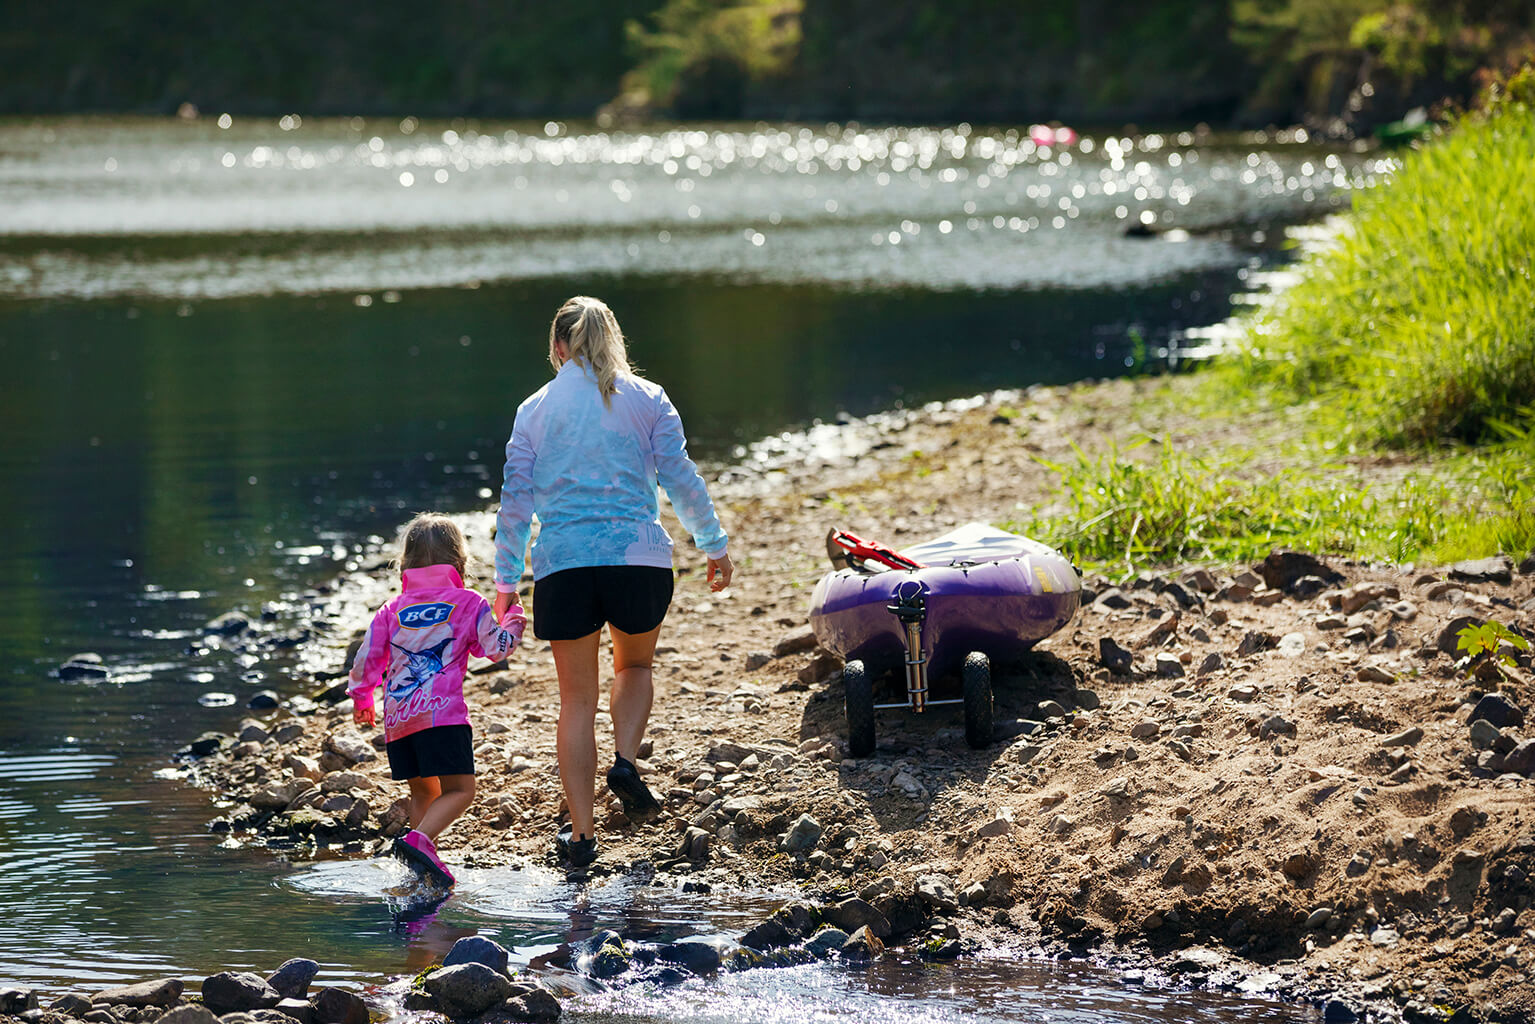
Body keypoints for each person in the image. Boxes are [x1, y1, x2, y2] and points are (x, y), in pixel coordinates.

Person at [493, 295, 733, 869]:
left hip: (564, 565)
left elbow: (516, 504)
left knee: (576, 700)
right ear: (614, 341)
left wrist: (506, 582)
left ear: (557, 348)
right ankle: (625, 759)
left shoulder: (534, 410)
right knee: (636, 667)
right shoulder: (649, 400)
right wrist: (713, 543)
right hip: (639, 562)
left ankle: (581, 837)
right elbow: (680, 477)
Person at [349, 512, 526, 887]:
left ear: (405, 565)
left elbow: (368, 657)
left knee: (423, 790)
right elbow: (495, 649)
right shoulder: (467, 603)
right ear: (460, 562)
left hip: (399, 720)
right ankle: (419, 841)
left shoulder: (391, 610)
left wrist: (362, 697)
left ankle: (418, 862)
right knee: (461, 790)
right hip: (441, 718)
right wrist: (513, 617)